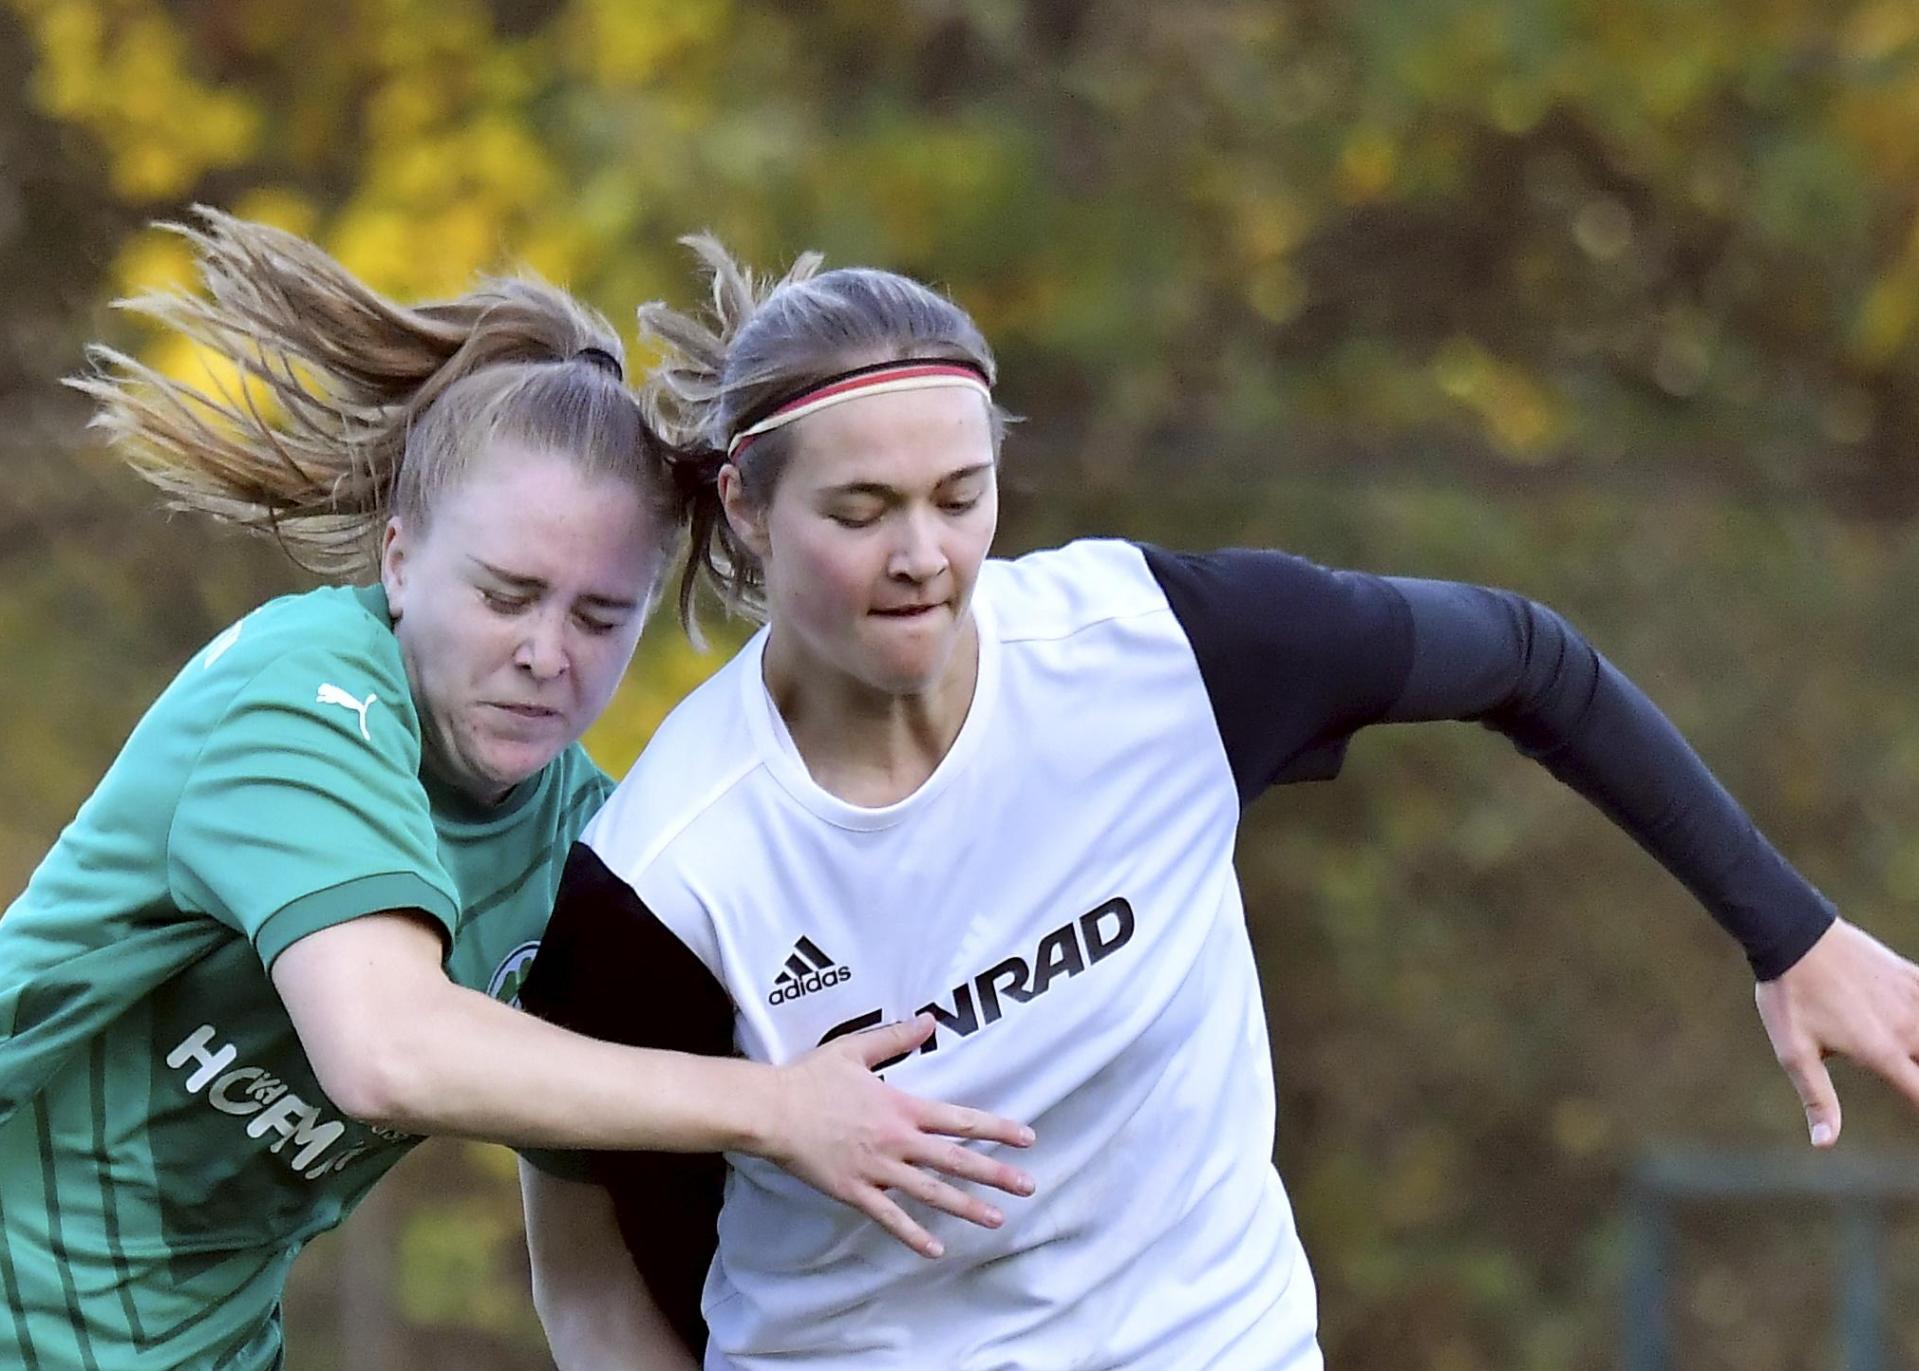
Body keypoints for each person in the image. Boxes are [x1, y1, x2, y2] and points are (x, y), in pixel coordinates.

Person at [516, 236, 1919, 1371]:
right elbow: (586, 1260)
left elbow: (1527, 659)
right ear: (748, 511)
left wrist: (1788, 933)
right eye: (861, 510)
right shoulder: (668, 877)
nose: (923, 555)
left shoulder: (1160, 650)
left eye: (960, 495)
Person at [0, 212, 1034, 1371]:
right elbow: (383, 1047)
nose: (548, 652)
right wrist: (772, 1105)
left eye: (600, 617)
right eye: (505, 596)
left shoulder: (590, 863)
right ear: (398, 560)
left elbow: (588, 1297)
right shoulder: (300, 696)